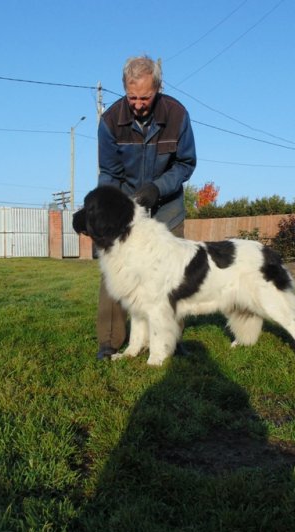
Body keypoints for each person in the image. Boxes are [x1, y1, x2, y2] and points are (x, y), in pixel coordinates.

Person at [95, 55, 197, 360]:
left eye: (145, 97)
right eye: (132, 97)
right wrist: (111, 212)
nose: (138, 104)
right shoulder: (111, 121)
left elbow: (185, 163)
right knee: (115, 271)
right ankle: (110, 341)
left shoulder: (177, 115)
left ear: (159, 88)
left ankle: (170, 340)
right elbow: (109, 173)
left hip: (167, 205)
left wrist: (157, 187)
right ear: (125, 89)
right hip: (126, 206)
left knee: (172, 273)